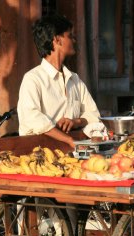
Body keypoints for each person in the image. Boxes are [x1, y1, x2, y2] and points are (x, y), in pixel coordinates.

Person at [17, 14, 100, 148]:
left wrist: (76, 122)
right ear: (57, 40)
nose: (74, 40)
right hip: (39, 155)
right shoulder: (33, 79)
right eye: (70, 35)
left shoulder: (75, 80)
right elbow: (33, 119)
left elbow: (94, 115)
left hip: (72, 153)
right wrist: (68, 140)